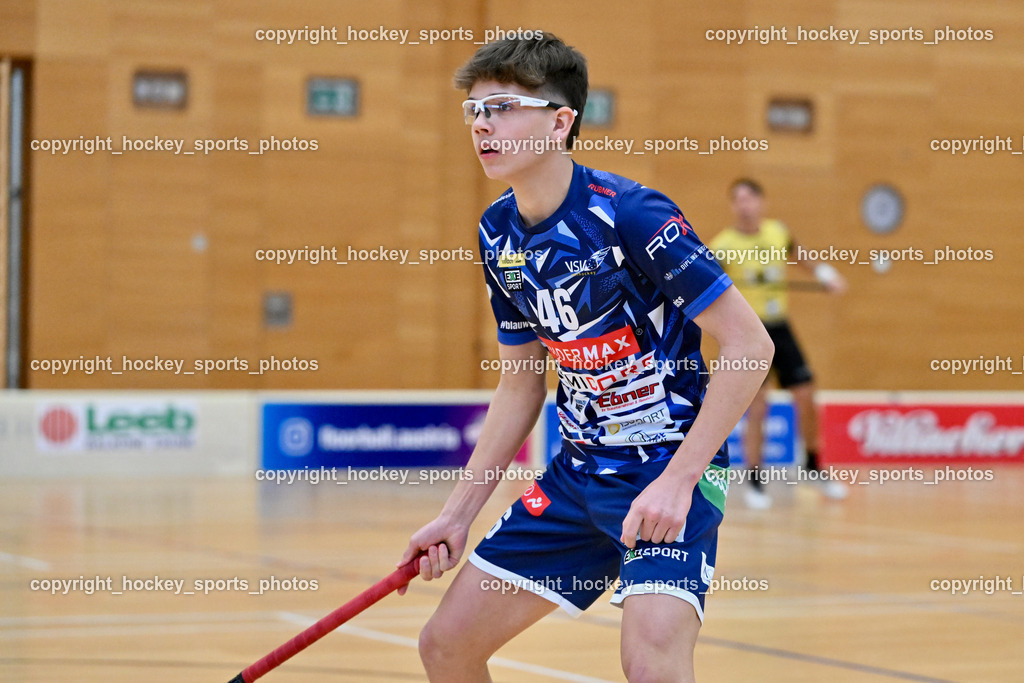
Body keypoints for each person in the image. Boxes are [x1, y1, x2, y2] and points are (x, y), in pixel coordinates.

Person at [398, 33, 773, 683]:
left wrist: (681, 479)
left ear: (560, 121)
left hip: (666, 471)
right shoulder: (499, 233)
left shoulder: (631, 214)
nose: (483, 124)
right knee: (445, 645)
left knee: (651, 664)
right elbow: (521, 384)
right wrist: (456, 515)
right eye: (475, 110)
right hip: (577, 477)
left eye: (504, 107)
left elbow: (749, 344)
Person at [709, 179, 848, 510]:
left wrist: (825, 275)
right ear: (732, 206)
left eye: (749, 198)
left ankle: (812, 465)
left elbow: (801, 257)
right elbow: (708, 285)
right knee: (757, 405)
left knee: (807, 392)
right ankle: (755, 479)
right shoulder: (722, 246)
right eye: (737, 200)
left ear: (761, 201)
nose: (744, 205)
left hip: (780, 328)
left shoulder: (777, 233)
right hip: (749, 333)